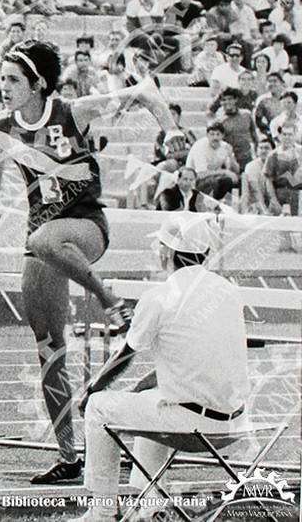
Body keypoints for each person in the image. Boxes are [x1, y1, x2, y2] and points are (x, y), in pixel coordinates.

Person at [0, 40, 186, 483]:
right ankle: (70, 455)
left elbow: (146, 93)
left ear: (38, 84)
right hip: (42, 242)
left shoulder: (71, 112)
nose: (5, 87)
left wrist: (168, 129)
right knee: (48, 348)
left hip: (85, 228)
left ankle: (111, 302)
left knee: (43, 235)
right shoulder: (0, 124)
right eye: (3, 78)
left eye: (14, 79)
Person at [73, 214, 251, 522]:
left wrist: (91, 390)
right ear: (205, 254)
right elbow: (201, 357)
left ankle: (101, 512)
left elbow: (125, 355)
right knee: (151, 401)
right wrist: (144, 385)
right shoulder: (229, 292)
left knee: (99, 407)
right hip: (235, 423)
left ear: (166, 252)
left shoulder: (160, 296)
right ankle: (150, 506)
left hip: (191, 427)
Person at [186, 123, 240, 200]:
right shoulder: (200, 147)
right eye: (212, 134)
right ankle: (208, 206)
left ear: (222, 136)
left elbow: (236, 171)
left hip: (215, 178)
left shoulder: (224, 146)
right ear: (207, 135)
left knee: (235, 180)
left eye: (218, 134)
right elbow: (201, 174)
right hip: (194, 181)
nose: (215, 137)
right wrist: (224, 172)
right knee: (216, 181)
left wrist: (231, 156)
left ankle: (230, 207)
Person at [264, 122, 302, 216]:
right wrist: (273, 200)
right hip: (280, 194)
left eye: (290, 134)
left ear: (295, 135)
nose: (287, 137)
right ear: (280, 135)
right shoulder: (273, 155)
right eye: (284, 134)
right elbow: (268, 180)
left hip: (298, 194)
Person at [217, 87, 257, 171]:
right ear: (221, 102)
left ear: (236, 100)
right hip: (230, 159)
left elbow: (254, 135)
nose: (227, 102)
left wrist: (256, 153)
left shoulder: (246, 115)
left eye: (230, 99)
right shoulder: (219, 121)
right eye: (224, 100)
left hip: (247, 156)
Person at [242, 138, 274, 213]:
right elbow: (256, 190)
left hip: (272, 201)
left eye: (266, 148)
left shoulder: (277, 164)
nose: (263, 151)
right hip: (256, 204)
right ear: (257, 151)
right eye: (261, 148)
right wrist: (264, 211)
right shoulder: (251, 166)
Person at [254, 71, 285, 138]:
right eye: (269, 81)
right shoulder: (262, 100)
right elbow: (257, 121)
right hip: (273, 133)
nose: (272, 84)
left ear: (282, 83)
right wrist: (268, 132)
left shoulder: (289, 97)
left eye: (275, 81)